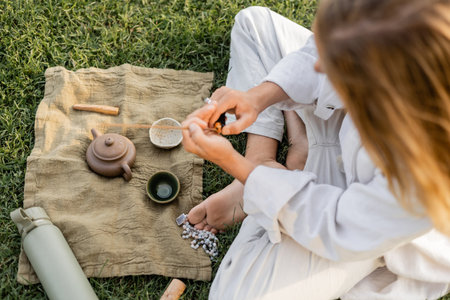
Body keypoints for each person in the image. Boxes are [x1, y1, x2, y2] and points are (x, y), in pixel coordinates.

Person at [182, 0, 450, 299]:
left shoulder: (422, 174)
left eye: (336, 62)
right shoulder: (405, 32)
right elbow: (313, 58)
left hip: (360, 225)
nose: (320, 67)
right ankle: (270, 159)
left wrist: (233, 163)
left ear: (385, 86)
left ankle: (268, 178)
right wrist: (257, 98)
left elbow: (338, 227)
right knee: (254, 24)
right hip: (346, 124)